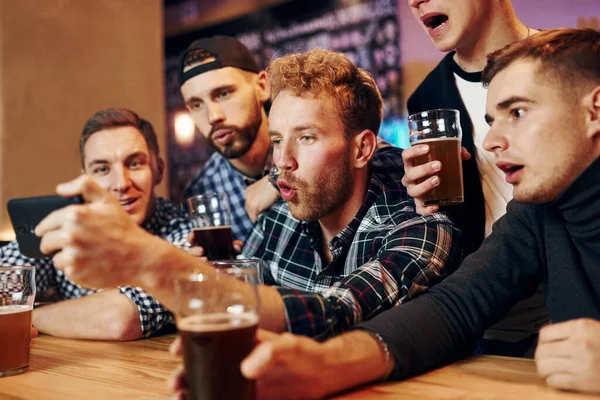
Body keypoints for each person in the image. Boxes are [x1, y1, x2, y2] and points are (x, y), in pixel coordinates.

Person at [217, 28, 600, 398]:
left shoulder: (417, 221)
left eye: (517, 112)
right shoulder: (536, 211)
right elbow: (454, 306)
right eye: (490, 121)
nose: (490, 142)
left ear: (594, 111)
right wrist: (322, 366)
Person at [33, 48, 461, 339]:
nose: (283, 162)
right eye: (277, 141)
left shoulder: (419, 225)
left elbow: (337, 310)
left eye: (307, 138)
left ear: (363, 148)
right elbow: (222, 294)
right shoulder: (281, 216)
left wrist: (149, 259)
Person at [401, 0, 547, 355]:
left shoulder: (572, 61)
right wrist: (426, 209)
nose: (414, 1)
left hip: (576, 305)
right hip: (490, 317)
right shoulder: (426, 98)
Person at [0, 108, 197, 340]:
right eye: (102, 169)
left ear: (159, 170)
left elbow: (122, 318)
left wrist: (27, 316)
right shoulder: (69, 224)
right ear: (86, 179)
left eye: (134, 164)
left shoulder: (185, 232)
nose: (121, 183)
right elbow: (5, 283)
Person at [178, 35, 279, 243]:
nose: (213, 117)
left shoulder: (308, 155)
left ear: (262, 87)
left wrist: (280, 178)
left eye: (223, 94)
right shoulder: (199, 194)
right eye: (196, 105)